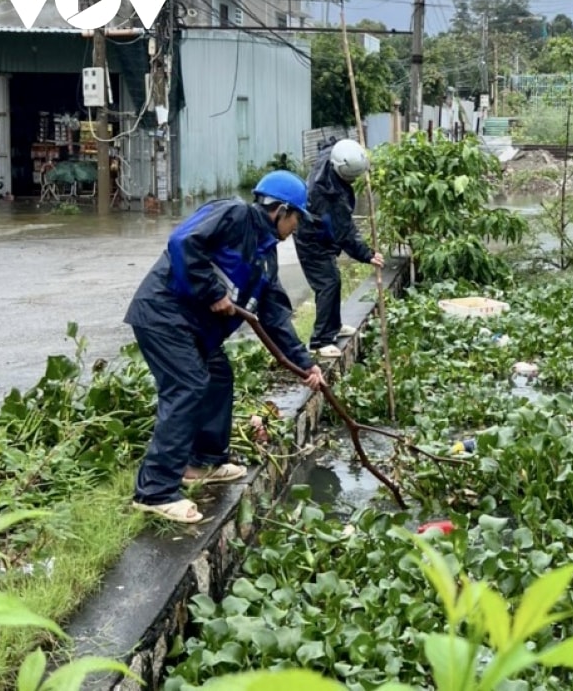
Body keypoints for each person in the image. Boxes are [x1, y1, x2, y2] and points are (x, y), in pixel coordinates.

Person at [124, 171, 325, 523]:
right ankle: (154, 491)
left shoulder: (267, 256)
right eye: (296, 218)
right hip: (163, 314)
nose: (296, 228)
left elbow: (274, 315)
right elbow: (183, 242)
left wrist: (306, 364)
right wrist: (213, 292)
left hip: (195, 329)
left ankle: (202, 462)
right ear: (279, 210)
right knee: (187, 385)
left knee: (218, 377)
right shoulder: (232, 215)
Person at [294, 137, 384, 360]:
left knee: (334, 279)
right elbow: (345, 233)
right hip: (311, 239)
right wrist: (368, 255)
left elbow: (330, 146)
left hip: (323, 235)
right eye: (351, 177)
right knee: (328, 283)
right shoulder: (327, 194)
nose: (353, 181)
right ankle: (320, 341)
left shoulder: (332, 155)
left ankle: (333, 326)